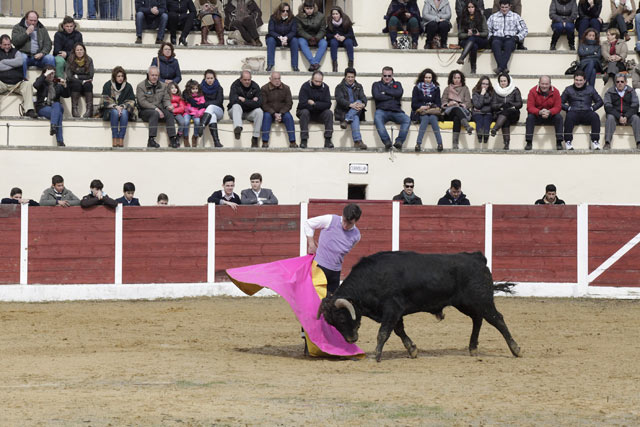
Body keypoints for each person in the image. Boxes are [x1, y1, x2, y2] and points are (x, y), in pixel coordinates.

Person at [304, 203, 362, 294]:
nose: (345, 225)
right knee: (316, 298)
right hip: (320, 267)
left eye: (349, 223)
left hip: (336, 271)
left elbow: (343, 251)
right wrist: (311, 244)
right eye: (344, 220)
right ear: (342, 215)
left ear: (355, 221)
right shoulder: (330, 219)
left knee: (331, 303)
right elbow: (308, 223)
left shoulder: (356, 236)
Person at [136, 65, 178, 148]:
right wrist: (156, 109)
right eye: (152, 75)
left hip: (160, 108)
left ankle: (172, 138)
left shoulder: (163, 86)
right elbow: (142, 102)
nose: (154, 77)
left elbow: (166, 99)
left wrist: (168, 106)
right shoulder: (141, 86)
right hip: (145, 110)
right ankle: (151, 139)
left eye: (156, 75)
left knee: (169, 113)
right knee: (154, 113)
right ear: (148, 75)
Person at [561, 70, 603, 150]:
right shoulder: (568, 89)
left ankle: (595, 141)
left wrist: (593, 108)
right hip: (574, 112)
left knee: (595, 116)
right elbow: (559, 102)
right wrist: (568, 108)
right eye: (576, 80)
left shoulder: (590, 89)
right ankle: (568, 141)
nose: (578, 82)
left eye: (580, 80)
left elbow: (600, 101)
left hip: (587, 112)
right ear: (574, 80)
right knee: (569, 116)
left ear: (585, 80)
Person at [372, 66, 411, 150]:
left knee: (407, 119)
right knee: (377, 118)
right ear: (382, 75)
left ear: (392, 75)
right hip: (382, 110)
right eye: (385, 75)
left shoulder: (398, 84)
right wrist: (392, 96)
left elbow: (399, 93)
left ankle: (399, 141)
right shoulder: (376, 84)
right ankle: (387, 141)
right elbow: (377, 96)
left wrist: (385, 92)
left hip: (396, 111)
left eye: (389, 76)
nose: (387, 78)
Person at [0, 35, 38, 118]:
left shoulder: (16, 52)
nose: (7, 46)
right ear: (0, 45)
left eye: (9, 44)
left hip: (17, 83)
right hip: (2, 83)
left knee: (28, 84)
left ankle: (29, 110)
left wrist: (4, 62)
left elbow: (20, 62)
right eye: (5, 44)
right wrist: (13, 64)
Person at [486, 0, 528, 74]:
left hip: (510, 38)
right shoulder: (493, 17)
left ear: (509, 7)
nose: (504, 9)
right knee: (495, 43)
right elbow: (487, 29)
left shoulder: (516, 16)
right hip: (497, 38)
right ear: (500, 7)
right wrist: (491, 36)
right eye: (502, 7)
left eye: (506, 7)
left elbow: (525, 30)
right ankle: (504, 68)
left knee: (508, 44)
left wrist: (517, 37)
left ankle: (500, 68)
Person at [11, 11, 55, 79]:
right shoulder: (18, 27)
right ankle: (22, 80)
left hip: (39, 57)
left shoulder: (42, 28)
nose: (33, 23)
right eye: (31, 20)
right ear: (26, 19)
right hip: (25, 55)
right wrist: (26, 33)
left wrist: (42, 53)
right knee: (22, 58)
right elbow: (15, 42)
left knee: (50, 58)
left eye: (35, 21)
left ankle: (51, 81)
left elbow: (48, 43)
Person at [296, 70, 334, 149]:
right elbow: (302, 104)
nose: (318, 83)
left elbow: (328, 104)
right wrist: (319, 105)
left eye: (320, 82)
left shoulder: (325, 87)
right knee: (305, 112)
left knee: (329, 113)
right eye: (316, 81)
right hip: (306, 113)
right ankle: (304, 140)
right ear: (312, 79)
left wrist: (314, 104)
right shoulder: (305, 86)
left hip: (319, 114)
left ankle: (328, 140)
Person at [525, 75, 564, 151]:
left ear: (550, 84)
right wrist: (539, 112)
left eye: (546, 84)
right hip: (537, 115)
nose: (544, 86)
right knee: (530, 117)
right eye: (542, 84)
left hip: (550, 115)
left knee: (559, 117)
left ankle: (559, 142)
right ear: (539, 83)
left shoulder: (556, 91)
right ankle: (528, 142)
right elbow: (529, 107)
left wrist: (550, 112)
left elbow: (558, 107)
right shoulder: (532, 91)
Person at [102, 66, 136, 148]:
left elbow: (131, 101)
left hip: (124, 109)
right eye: (118, 76)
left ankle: (121, 138)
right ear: (114, 77)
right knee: (114, 112)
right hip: (110, 110)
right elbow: (105, 100)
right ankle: (115, 137)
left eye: (122, 76)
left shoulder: (128, 86)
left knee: (124, 113)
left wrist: (122, 106)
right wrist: (115, 106)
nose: (121, 78)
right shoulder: (107, 85)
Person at [603, 72, 640, 150]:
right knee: (610, 118)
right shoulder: (609, 92)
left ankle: (639, 142)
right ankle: (607, 143)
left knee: (636, 118)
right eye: (618, 82)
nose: (620, 83)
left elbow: (635, 106)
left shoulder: (631, 91)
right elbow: (607, 107)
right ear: (615, 82)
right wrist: (619, 116)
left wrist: (626, 116)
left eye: (622, 81)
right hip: (615, 116)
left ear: (626, 82)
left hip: (628, 116)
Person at [33, 66, 68, 147]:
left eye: (53, 73)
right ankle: (60, 141)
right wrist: (45, 75)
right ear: (45, 73)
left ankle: (53, 126)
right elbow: (36, 85)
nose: (51, 76)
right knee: (58, 114)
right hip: (42, 107)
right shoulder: (41, 81)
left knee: (57, 104)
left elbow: (66, 95)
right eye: (50, 74)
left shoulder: (57, 82)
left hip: (56, 106)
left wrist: (65, 85)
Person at [334, 67, 368, 150]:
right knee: (355, 117)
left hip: (356, 109)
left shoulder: (359, 86)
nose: (350, 79)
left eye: (352, 77)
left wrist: (363, 104)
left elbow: (363, 97)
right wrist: (350, 105)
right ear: (345, 77)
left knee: (359, 101)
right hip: (344, 110)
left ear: (355, 77)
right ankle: (357, 141)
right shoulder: (339, 87)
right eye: (348, 77)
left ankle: (346, 120)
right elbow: (339, 99)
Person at [228, 70, 263, 148]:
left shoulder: (255, 86)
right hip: (235, 112)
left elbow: (259, 104)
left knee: (259, 112)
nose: (247, 82)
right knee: (236, 106)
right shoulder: (235, 85)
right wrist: (251, 102)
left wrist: (244, 100)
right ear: (240, 79)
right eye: (245, 80)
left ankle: (255, 138)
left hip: (249, 112)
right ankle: (238, 128)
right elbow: (233, 101)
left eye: (249, 80)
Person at [260, 71, 296, 148]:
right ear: (270, 79)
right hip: (270, 112)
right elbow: (264, 104)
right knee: (266, 116)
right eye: (275, 79)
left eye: (279, 79)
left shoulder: (286, 88)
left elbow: (289, 103)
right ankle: (265, 141)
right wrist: (274, 113)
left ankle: (293, 141)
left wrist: (281, 113)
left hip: (283, 112)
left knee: (289, 117)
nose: (277, 81)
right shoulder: (264, 88)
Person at [411, 67, 443, 151]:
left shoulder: (436, 88)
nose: (427, 79)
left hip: (432, 112)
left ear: (432, 78)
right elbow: (413, 104)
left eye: (429, 78)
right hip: (422, 112)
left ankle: (440, 143)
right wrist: (421, 106)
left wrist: (430, 106)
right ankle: (418, 143)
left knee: (433, 119)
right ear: (423, 78)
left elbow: (438, 103)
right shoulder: (417, 88)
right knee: (425, 119)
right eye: (426, 77)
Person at [490, 72, 522, 150]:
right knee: (505, 118)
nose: (503, 83)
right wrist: (501, 105)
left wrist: (510, 103)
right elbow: (493, 105)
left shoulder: (515, 90)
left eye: (504, 81)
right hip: (499, 113)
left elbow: (519, 104)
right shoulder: (495, 90)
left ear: (508, 81)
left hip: (513, 113)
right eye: (501, 81)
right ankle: (506, 144)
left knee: (507, 112)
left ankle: (495, 128)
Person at [442, 69, 473, 149]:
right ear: (452, 79)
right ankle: (467, 126)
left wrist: (461, 105)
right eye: (455, 78)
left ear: (461, 79)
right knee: (455, 109)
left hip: (462, 111)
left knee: (457, 117)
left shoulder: (465, 88)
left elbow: (468, 103)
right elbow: (443, 102)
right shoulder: (447, 89)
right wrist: (449, 104)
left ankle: (455, 143)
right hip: (449, 112)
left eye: (458, 78)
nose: (457, 80)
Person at [457, 0, 489, 74]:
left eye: (472, 7)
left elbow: (486, 32)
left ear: (475, 8)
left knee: (473, 38)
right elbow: (460, 34)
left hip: (480, 40)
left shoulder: (482, 17)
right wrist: (467, 34)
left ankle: (462, 57)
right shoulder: (463, 18)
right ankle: (473, 69)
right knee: (473, 46)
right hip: (467, 40)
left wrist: (478, 34)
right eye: (469, 7)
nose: (470, 9)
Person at [266, 2, 300, 72]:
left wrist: (286, 37)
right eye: (283, 11)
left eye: (287, 11)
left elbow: (294, 31)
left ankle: (295, 66)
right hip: (276, 39)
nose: (285, 12)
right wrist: (280, 37)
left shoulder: (293, 19)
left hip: (288, 39)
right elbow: (271, 31)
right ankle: (270, 64)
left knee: (295, 40)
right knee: (270, 40)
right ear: (279, 11)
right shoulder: (273, 18)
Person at [296, 0, 327, 71]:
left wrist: (317, 38)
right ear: (304, 8)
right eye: (307, 8)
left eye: (311, 8)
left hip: (318, 37)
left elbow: (323, 29)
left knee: (324, 43)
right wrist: (309, 38)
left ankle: (314, 63)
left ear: (314, 8)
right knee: (301, 42)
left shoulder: (321, 16)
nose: (309, 10)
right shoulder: (298, 17)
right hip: (305, 37)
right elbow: (299, 30)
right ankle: (314, 63)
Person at [65, 42, 94, 118]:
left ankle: (89, 110)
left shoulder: (89, 60)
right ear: (74, 51)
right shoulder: (70, 59)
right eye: (77, 50)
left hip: (85, 84)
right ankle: (74, 109)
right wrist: (82, 80)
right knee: (76, 84)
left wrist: (77, 76)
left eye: (81, 49)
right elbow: (69, 76)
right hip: (74, 84)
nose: (79, 51)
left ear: (84, 50)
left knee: (88, 84)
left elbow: (90, 75)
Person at [326, 6, 357, 72]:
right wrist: (334, 36)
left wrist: (344, 37)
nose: (335, 16)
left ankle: (351, 63)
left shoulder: (346, 20)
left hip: (345, 39)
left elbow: (351, 34)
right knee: (333, 43)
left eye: (336, 14)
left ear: (340, 14)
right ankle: (334, 64)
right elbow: (327, 34)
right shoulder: (329, 21)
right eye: (333, 14)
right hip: (335, 39)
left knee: (349, 42)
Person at [201, 69, 224, 147]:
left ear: (215, 78)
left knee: (211, 107)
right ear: (205, 79)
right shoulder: (201, 88)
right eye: (208, 78)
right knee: (212, 116)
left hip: (219, 111)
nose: (210, 80)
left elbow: (219, 101)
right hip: (209, 113)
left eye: (211, 78)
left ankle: (202, 125)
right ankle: (216, 141)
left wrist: (205, 104)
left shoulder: (219, 88)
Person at [471, 75, 494, 145]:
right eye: (483, 83)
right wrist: (481, 95)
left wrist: (482, 110)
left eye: (487, 84)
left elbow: (492, 106)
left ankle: (486, 135)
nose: (485, 86)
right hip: (477, 114)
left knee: (487, 119)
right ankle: (479, 135)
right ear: (480, 84)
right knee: (479, 119)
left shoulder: (492, 93)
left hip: (488, 113)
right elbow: (477, 105)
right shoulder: (475, 93)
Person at [183, 79, 206, 147]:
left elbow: (203, 107)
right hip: (187, 113)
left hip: (196, 113)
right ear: (189, 89)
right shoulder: (187, 97)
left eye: (196, 88)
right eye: (193, 89)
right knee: (186, 121)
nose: (195, 90)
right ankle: (185, 137)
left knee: (197, 121)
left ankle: (195, 136)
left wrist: (199, 113)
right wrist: (186, 108)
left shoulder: (201, 97)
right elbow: (183, 104)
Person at [168, 82, 189, 147]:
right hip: (169, 114)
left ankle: (178, 137)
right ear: (169, 89)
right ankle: (171, 139)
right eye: (172, 88)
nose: (174, 89)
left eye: (175, 88)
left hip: (177, 113)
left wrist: (174, 110)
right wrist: (176, 105)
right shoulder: (167, 97)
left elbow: (182, 108)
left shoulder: (179, 98)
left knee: (182, 122)